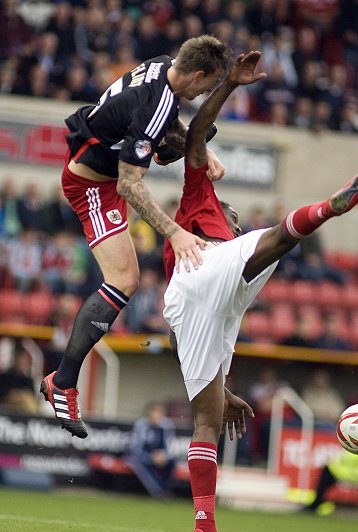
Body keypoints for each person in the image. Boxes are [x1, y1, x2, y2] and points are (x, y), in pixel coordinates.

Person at [161, 50, 358, 532]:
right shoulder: (201, 201)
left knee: (208, 421)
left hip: (191, 301)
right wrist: (230, 85)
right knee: (276, 242)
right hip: (206, 266)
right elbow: (197, 137)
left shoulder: (212, 251)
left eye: (230, 214)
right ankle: (330, 208)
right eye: (230, 212)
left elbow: (206, 329)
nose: (231, 213)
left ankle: (204, 529)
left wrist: (224, 385)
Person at [39, 35, 234, 439]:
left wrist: (200, 148)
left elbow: (165, 118)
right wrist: (176, 233)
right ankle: (63, 381)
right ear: (197, 74)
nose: (202, 92)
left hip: (105, 160)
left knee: (204, 132)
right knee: (123, 280)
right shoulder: (156, 103)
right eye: (207, 85)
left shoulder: (164, 63)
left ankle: (62, 380)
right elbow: (129, 186)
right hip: (94, 185)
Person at [124, 402, 176, 498]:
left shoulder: (167, 426)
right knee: (139, 463)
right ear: (149, 414)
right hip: (143, 456)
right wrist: (151, 457)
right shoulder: (141, 425)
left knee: (172, 462)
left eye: (159, 413)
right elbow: (136, 448)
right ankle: (158, 491)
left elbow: (170, 447)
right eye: (154, 413)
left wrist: (163, 456)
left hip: (161, 457)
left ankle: (166, 488)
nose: (157, 416)